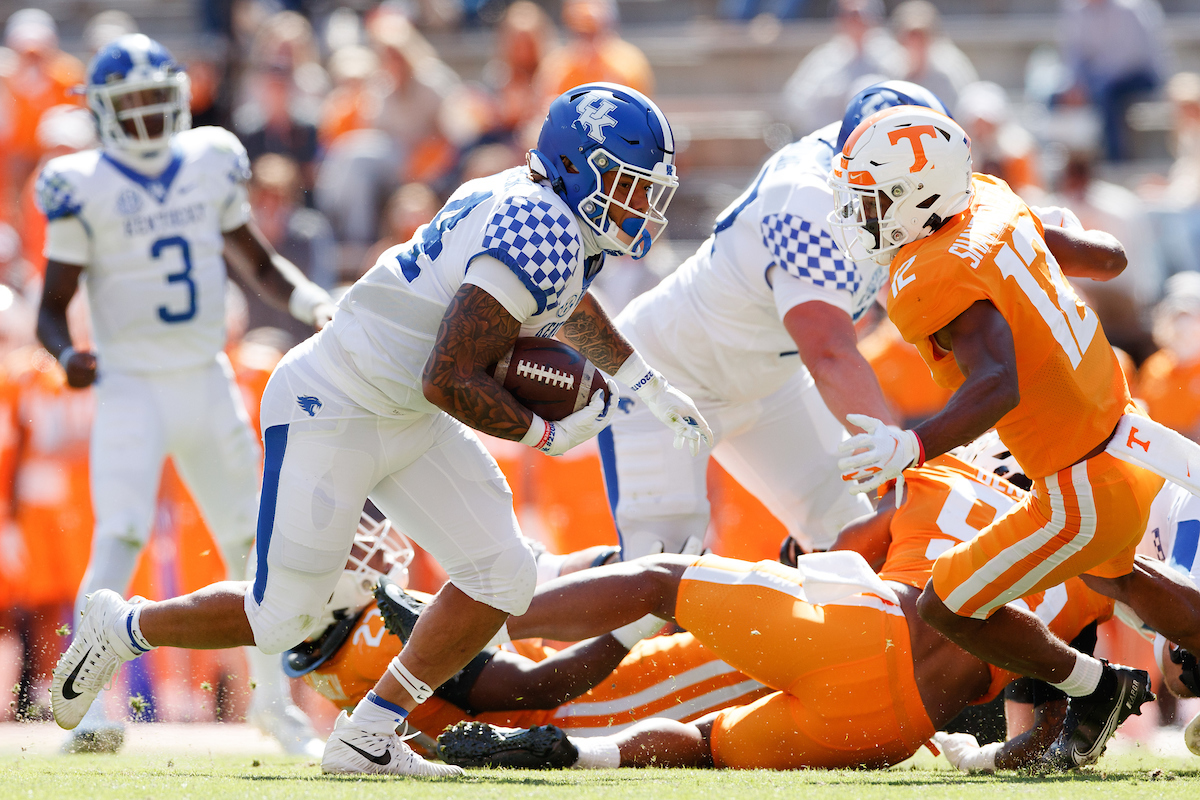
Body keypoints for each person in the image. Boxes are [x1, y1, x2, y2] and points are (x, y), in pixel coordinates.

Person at [50, 81, 711, 777]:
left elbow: (563, 301)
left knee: (504, 576)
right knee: (283, 618)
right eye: (629, 184)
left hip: (405, 411)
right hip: (334, 405)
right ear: (578, 167)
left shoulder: (543, 208)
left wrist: (645, 384)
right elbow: (449, 376)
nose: (641, 203)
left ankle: (367, 735)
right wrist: (548, 437)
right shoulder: (537, 226)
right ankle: (122, 627)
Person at [827, 104, 1200, 770]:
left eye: (877, 198)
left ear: (920, 195)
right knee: (1122, 580)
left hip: (1080, 482)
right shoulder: (992, 200)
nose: (865, 214)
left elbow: (998, 383)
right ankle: (1103, 687)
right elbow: (1108, 259)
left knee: (946, 604)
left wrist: (912, 445)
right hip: (1125, 436)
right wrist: (1046, 236)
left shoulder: (931, 274)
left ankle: (1098, 689)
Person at [434, 444, 1114, 772]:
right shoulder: (1082, 571)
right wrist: (979, 759)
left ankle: (493, 614)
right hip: (896, 729)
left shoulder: (944, 481)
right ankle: (580, 757)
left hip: (860, 630)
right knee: (707, 749)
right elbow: (1050, 737)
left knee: (662, 581)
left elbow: (831, 556)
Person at [34, 34, 336, 754]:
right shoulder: (81, 182)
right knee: (121, 534)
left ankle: (272, 701)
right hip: (130, 383)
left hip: (205, 374)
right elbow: (51, 305)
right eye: (127, 104)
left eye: (152, 101)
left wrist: (316, 302)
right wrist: (66, 351)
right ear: (103, 112)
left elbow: (259, 265)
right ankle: (95, 702)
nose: (142, 117)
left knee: (250, 541)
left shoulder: (208, 160)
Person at [602, 80, 945, 559]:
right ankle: (523, 611)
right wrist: (905, 462)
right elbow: (829, 354)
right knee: (654, 583)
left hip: (772, 379)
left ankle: (796, 581)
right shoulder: (807, 203)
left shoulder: (877, 156)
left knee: (865, 544)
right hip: (670, 380)